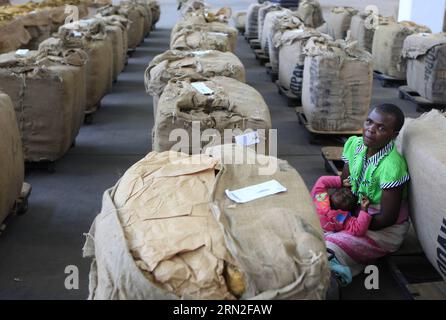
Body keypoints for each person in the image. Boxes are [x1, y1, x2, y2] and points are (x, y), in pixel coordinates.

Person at [324, 104, 411, 277]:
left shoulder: (392, 166)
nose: (371, 130)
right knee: (314, 229)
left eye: (381, 128)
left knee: (329, 247)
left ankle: (335, 275)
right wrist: (338, 211)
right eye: (369, 122)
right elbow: (345, 184)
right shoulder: (355, 145)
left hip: (382, 229)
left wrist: (350, 224)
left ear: (393, 136)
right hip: (355, 215)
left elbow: (387, 218)